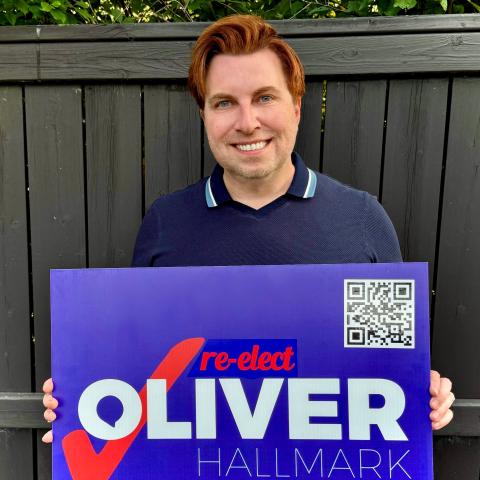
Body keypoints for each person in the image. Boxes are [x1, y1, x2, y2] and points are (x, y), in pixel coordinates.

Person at [42, 14, 454, 442]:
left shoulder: (362, 220)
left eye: (264, 98)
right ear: (204, 115)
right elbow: (136, 370)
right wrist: (76, 409)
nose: (247, 122)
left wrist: (427, 395)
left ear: (295, 107)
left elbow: (387, 367)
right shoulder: (166, 224)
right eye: (224, 103)